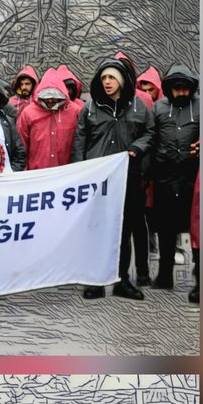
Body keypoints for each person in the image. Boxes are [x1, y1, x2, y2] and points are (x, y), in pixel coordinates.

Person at [72, 59, 155, 300]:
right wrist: (80, 171)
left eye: (111, 78)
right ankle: (96, 281)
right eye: (103, 78)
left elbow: (150, 133)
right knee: (98, 230)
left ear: (121, 81)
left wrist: (137, 148)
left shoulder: (138, 106)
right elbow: (80, 140)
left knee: (124, 228)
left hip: (128, 178)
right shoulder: (90, 108)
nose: (106, 82)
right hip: (97, 179)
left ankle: (121, 280)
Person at [151, 65, 200, 291]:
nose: (181, 93)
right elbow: (150, 135)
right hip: (165, 176)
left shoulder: (201, 107)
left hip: (192, 176)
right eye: (176, 89)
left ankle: (200, 277)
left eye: (185, 89)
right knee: (165, 228)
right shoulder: (158, 108)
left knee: (197, 229)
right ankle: (164, 275)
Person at [16, 67, 80, 170]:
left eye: (54, 98)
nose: (50, 101)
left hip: (68, 174)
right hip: (37, 175)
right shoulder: (28, 113)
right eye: (47, 98)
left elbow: (81, 144)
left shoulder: (75, 112)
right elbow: (21, 146)